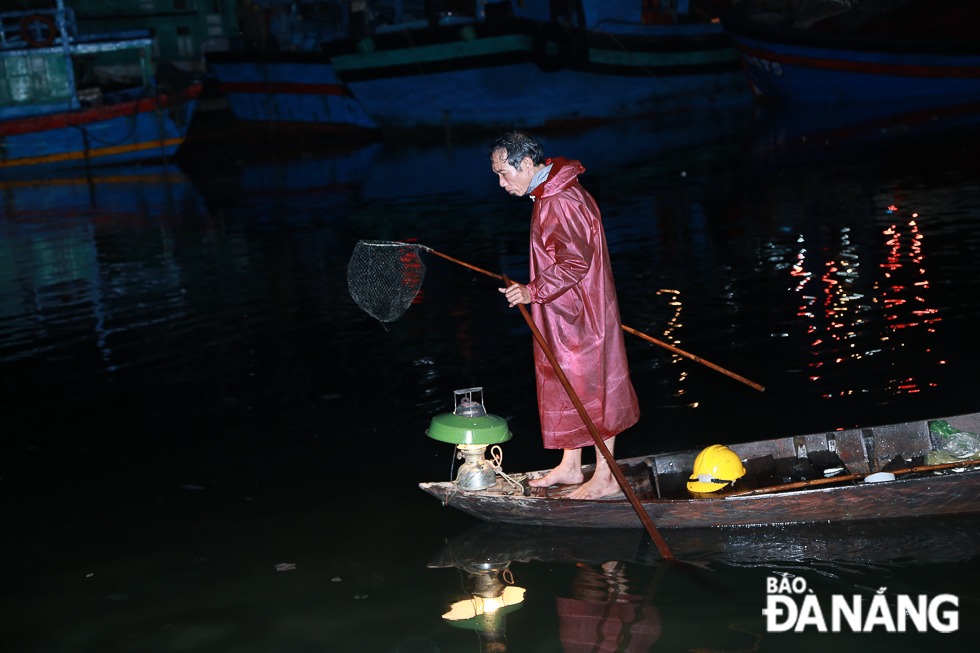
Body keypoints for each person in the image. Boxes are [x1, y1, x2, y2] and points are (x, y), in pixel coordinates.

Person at [490, 131, 640, 500]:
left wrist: (531, 291)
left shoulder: (560, 200)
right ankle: (571, 467)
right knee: (568, 385)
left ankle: (605, 477)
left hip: (581, 315)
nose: (501, 183)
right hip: (564, 312)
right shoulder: (551, 193)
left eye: (504, 173)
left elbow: (574, 262)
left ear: (526, 164)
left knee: (594, 388)